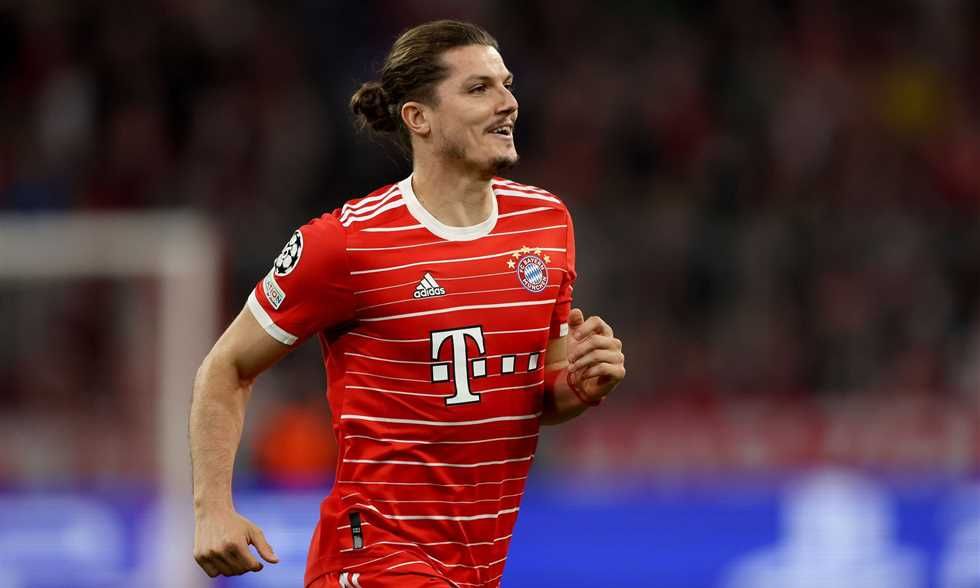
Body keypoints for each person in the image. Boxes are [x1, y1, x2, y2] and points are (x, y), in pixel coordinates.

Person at [189, 20, 626, 588]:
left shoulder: (545, 222)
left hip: (476, 565)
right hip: (373, 559)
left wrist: (582, 385)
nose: (507, 103)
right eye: (479, 88)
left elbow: (527, 392)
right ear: (419, 118)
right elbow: (226, 365)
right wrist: (212, 509)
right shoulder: (346, 243)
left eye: (507, 84)